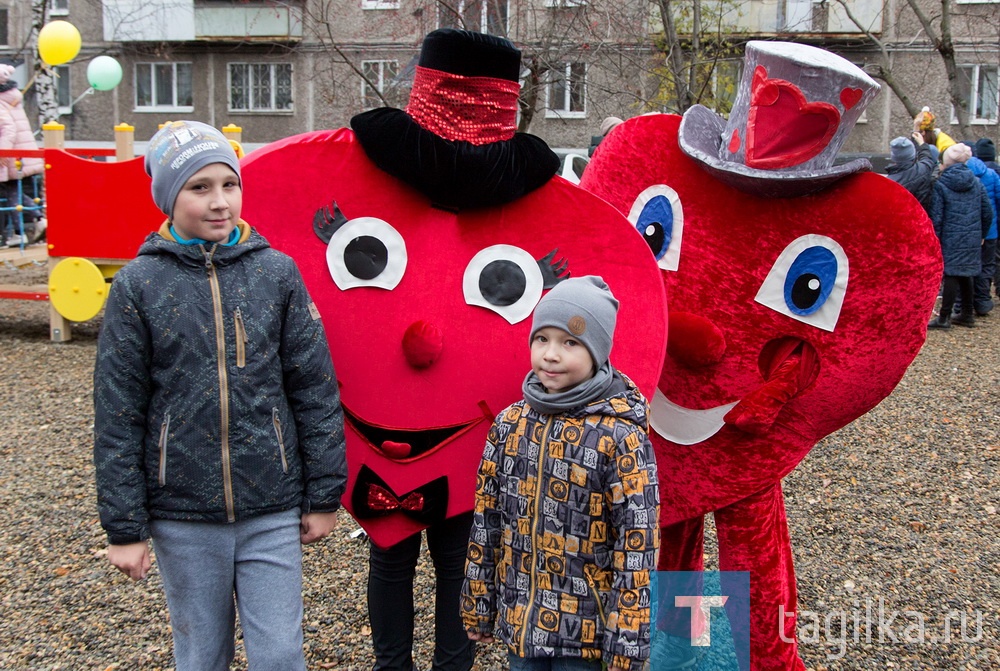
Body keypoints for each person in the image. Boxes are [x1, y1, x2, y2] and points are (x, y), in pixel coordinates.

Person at [93, 120, 347, 670]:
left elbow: (313, 388)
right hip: (182, 514)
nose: (219, 202)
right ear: (168, 195)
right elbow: (118, 412)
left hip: (271, 505)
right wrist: (124, 528)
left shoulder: (276, 273)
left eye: (228, 184)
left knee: (280, 655)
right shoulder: (138, 286)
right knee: (202, 655)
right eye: (199, 187)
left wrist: (324, 495)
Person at [461, 276, 659, 671]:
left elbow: (637, 545)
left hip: (589, 636)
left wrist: (629, 640)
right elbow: (487, 520)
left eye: (570, 342)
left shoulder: (620, 436)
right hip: (524, 624)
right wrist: (480, 601)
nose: (551, 354)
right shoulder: (508, 425)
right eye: (542, 339)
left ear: (598, 352)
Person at [928, 143, 993, 329]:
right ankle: (966, 313)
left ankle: (944, 317)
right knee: (967, 273)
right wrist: (983, 233)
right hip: (972, 236)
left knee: (951, 274)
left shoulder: (942, 184)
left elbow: (937, 216)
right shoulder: (976, 182)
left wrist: (935, 240)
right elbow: (987, 212)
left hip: (949, 237)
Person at [0, 64, 44, 246]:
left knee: (9, 190)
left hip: (11, 154)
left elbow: (8, 128)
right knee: (12, 190)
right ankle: (38, 218)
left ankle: (22, 230)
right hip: (20, 153)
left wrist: (3, 153)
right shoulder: (11, 96)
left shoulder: (1, 99)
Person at [961, 154, 998, 315]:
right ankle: (982, 301)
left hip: (966, 231)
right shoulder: (991, 174)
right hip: (990, 231)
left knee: (967, 266)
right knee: (987, 265)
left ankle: (964, 304)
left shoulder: (960, 176)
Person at [885, 131, 937, 213]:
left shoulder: (889, 183)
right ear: (913, 154)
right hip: (922, 217)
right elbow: (926, 157)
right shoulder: (923, 169)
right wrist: (922, 144)